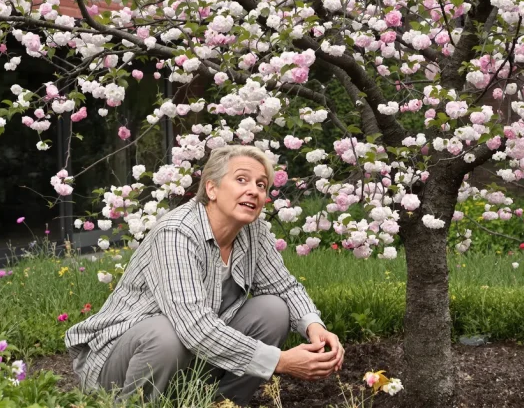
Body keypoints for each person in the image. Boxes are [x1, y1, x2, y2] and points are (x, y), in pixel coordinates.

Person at [65, 145, 345, 406]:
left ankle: (219, 404)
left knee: (273, 310)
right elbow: (193, 326)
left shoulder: (254, 231)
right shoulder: (177, 232)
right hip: (121, 364)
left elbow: (284, 287)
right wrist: (278, 361)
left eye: (261, 185)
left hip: (189, 357)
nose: (254, 191)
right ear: (211, 188)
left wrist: (315, 328)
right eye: (242, 180)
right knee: (164, 335)